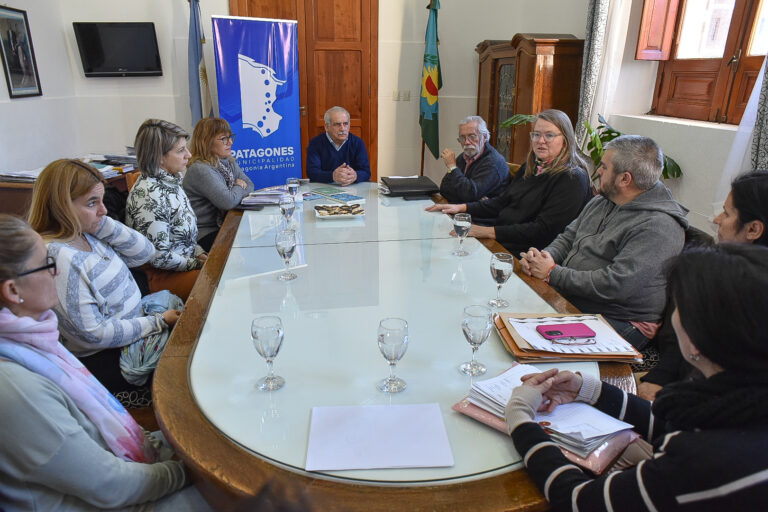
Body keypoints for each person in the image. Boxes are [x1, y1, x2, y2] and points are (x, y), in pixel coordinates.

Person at [504, 243, 768, 510]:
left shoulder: (697, 463)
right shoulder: (738, 403)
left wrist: (521, 418)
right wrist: (587, 389)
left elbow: (577, 499)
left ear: (697, 340)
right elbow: (672, 423)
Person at [0, 214, 210, 511]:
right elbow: (109, 487)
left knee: (205, 430)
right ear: (12, 291)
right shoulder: (15, 388)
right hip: (113, 503)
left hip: (122, 474)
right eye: (47, 265)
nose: (55, 272)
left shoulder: (34, 338)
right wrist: (196, 471)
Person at [27, 159, 181, 399]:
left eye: (101, 200)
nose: (104, 210)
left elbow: (145, 252)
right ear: (61, 207)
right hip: (109, 359)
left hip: (133, 334)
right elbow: (93, 335)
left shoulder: (88, 234)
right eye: (92, 203)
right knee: (183, 370)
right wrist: (157, 322)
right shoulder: (60, 257)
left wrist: (100, 223)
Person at [520, 135, 688, 350]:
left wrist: (552, 273)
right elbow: (569, 236)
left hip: (621, 319)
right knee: (505, 317)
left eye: (604, 167)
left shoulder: (659, 226)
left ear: (625, 179)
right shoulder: (603, 200)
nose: (598, 170)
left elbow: (616, 285)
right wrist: (544, 258)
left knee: (534, 346)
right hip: (578, 300)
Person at [637, 170, 768, 400]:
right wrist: (658, 378)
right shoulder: (722, 267)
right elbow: (682, 342)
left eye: (726, 213)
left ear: (753, 229)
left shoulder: (752, 293)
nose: (716, 220)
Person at [426, 110, 592, 254]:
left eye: (549, 135)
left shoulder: (572, 178)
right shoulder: (532, 166)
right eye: (536, 134)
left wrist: (486, 231)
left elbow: (543, 231)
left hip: (529, 253)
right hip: (504, 238)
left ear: (566, 139)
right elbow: (503, 202)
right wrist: (461, 207)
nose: (541, 141)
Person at [126, 119, 207, 301]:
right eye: (180, 150)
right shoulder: (149, 193)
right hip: (161, 277)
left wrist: (199, 252)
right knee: (217, 284)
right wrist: (198, 264)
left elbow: (184, 236)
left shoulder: (171, 181)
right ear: (158, 157)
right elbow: (159, 257)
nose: (189, 154)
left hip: (182, 265)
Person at [184, 117, 254, 252]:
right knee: (248, 249)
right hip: (206, 233)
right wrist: (238, 186)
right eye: (224, 139)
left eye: (230, 137)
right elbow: (227, 202)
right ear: (207, 142)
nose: (230, 142)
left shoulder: (227, 162)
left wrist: (235, 191)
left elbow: (250, 185)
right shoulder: (200, 169)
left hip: (227, 224)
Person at [438, 115, 510, 203]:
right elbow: (444, 188)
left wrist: (452, 167)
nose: (467, 142)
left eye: (472, 136)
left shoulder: (493, 162)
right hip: (463, 210)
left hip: (484, 215)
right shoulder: (465, 156)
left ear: (485, 137)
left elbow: (469, 194)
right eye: (462, 138)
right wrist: (472, 198)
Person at [306, 106, 371, 185]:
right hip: (324, 189)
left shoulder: (357, 143)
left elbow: (366, 172)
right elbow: (312, 173)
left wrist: (355, 176)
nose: (342, 128)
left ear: (349, 125)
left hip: (352, 189)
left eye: (345, 124)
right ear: (327, 127)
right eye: (337, 124)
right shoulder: (315, 143)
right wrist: (332, 176)